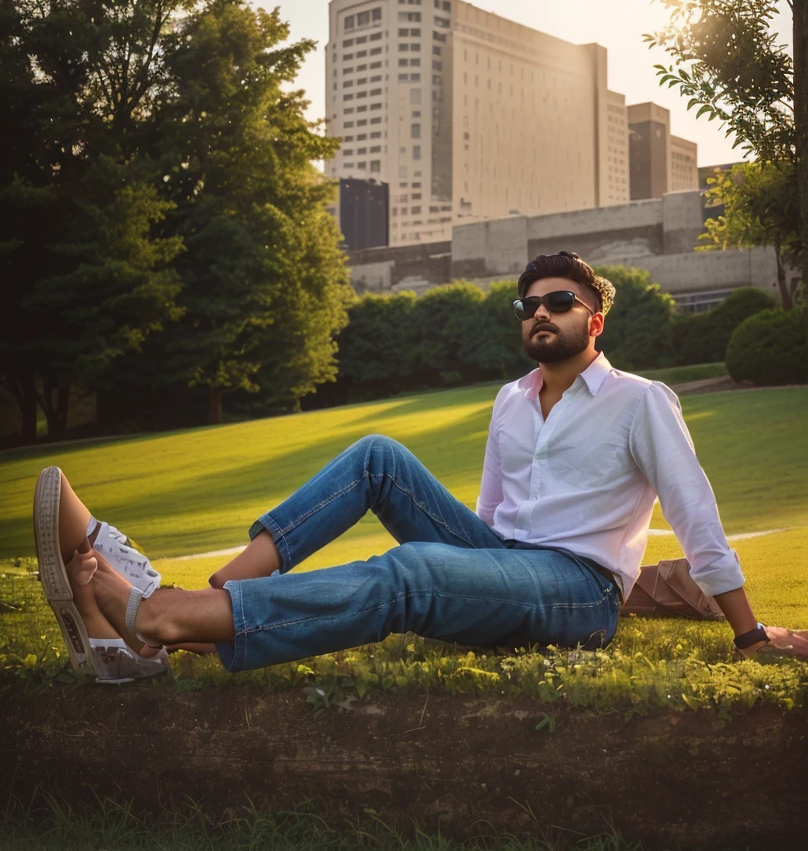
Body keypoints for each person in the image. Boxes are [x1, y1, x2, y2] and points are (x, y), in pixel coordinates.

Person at [36, 250, 807, 682]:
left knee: (417, 572)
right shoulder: (510, 401)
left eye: (560, 300)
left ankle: (163, 617)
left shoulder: (642, 401)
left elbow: (696, 515)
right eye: (528, 303)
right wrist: (480, 568)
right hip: (506, 562)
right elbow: (490, 516)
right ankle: (226, 593)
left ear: (593, 320)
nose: (540, 311)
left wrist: (748, 636)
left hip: (579, 590)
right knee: (379, 457)